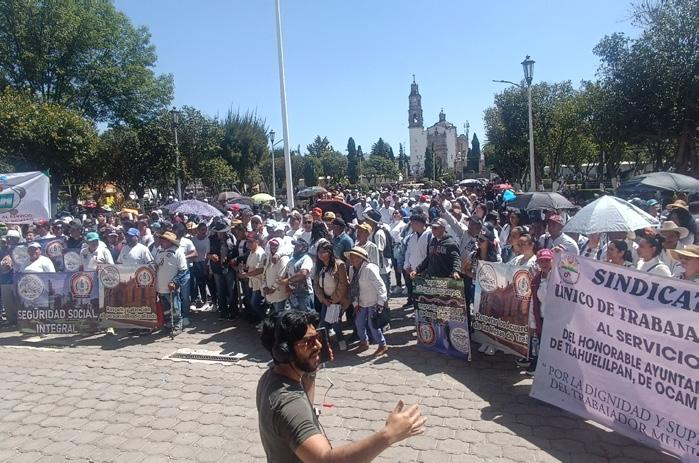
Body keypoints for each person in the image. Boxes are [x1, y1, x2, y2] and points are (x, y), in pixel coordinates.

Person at [257, 310, 426, 463]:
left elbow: (305, 403)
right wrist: (389, 434)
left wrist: (311, 370)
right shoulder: (289, 404)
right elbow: (324, 460)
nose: (318, 345)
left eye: (317, 337)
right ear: (284, 351)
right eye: (308, 342)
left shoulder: (270, 378)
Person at [346, 246, 388, 356]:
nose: (351, 259)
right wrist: (355, 303)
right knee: (358, 323)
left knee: (372, 324)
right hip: (361, 302)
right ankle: (364, 342)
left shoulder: (369, 269)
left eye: (354, 257)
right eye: (351, 257)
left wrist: (381, 302)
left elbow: (380, 285)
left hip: (374, 301)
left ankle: (382, 345)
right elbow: (353, 287)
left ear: (361, 258)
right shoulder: (352, 269)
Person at [313, 240, 349, 351]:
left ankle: (341, 341)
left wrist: (334, 300)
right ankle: (325, 344)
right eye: (319, 252)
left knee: (335, 323)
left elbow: (343, 284)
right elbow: (316, 285)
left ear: (329, 252)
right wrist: (323, 299)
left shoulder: (339, 264)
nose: (320, 255)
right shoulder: (319, 266)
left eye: (323, 252)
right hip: (326, 299)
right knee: (324, 323)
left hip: (337, 299)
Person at [525, 248, 554, 376]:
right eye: (541, 261)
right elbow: (534, 303)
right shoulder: (536, 280)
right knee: (542, 346)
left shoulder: (559, 276)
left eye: (547, 260)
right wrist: (532, 324)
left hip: (556, 321)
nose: (544, 264)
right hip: (542, 319)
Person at [153, 231, 188, 333]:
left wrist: (175, 282)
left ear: (169, 241)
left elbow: (183, 270)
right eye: (161, 239)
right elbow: (156, 266)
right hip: (160, 286)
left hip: (171, 287)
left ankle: (177, 325)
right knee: (166, 308)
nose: (161, 241)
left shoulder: (178, 252)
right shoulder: (159, 252)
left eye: (163, 239)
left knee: (175, 307)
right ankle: (168, 324)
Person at [402, 213, 430, 308]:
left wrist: (424, 269)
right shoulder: (412, 237)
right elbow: (408, 252)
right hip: (412, 270)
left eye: (413, 223)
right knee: (416, 294)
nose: (411, 225)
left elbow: (429, 255)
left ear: (420, 223)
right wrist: (407, 266)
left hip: (424, 271)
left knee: (425, 295)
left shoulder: (429, 235)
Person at [239, 233, 267, 322]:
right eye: (247, 241)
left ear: (256, 242)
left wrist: (246, 275)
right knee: (253, 302)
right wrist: (243, 268)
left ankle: (265, 320)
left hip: (260, 283)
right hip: (253, 282)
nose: (248, 243)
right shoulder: (251, 252)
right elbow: (250, 266)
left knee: (254, 303)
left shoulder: (260, 253)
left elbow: (261, 269)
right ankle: (262, 320)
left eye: (251, 241)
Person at [281, 238, 315, 312]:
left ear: (304, 248)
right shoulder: (291, 260)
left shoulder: (306, 259)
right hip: (292, 293)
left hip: (304, 294)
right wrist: (287, 287)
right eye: (295, 246)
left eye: (298, 246)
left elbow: (303, 273)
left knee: (307, 315)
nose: (295, 248)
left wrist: (288, 280)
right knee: (294, 316)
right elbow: (287, 274)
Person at [262, 238, 291, 315]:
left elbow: (281, 276)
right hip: (269, 293)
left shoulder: (284, 259)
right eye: (271, 245)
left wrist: (273, 288)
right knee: (272, 316)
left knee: (280, 316)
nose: (273, 247)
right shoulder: (268, 257)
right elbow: (264, 273)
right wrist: (264, 286)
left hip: (279, 293)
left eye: (275, 245)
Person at [190, 223, 211, 308]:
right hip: (194, 263)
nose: (204, 231)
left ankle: (205, 300)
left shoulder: (207, 240)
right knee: (194, 283)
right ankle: (195, 300)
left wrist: (206, 266)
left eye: (205, 230)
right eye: (202, 230)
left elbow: (208, 253)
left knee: (203, 283)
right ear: (198, 230)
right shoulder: (193, 239)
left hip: (204, 263)